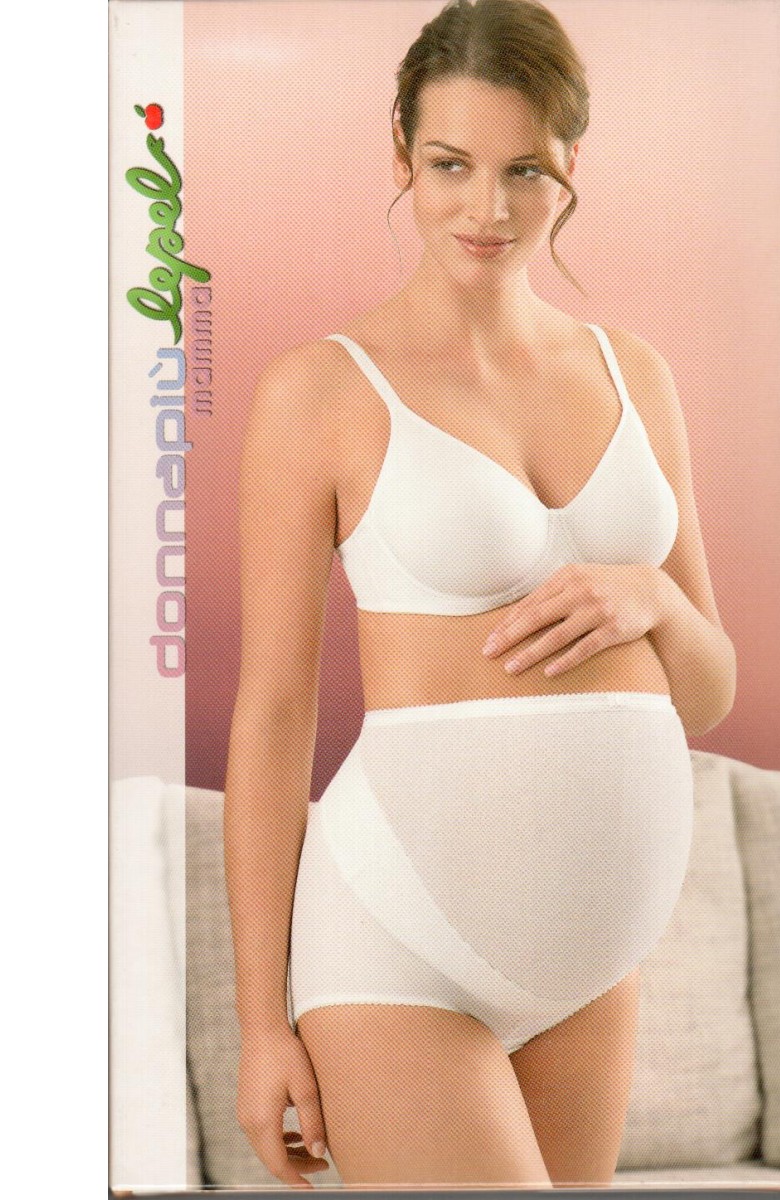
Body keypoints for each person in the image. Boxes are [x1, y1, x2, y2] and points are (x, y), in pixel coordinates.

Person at [224, 0, 736, 1188]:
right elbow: (274, 714)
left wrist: (653, 600)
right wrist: (258, 1028)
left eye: (524, 171)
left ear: (572, 165)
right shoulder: (320, 390)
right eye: (451, 165)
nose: (487, 210)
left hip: (591, 962)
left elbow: (709, 694)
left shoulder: (633, 373)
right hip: (402, 937)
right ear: (401, 155)